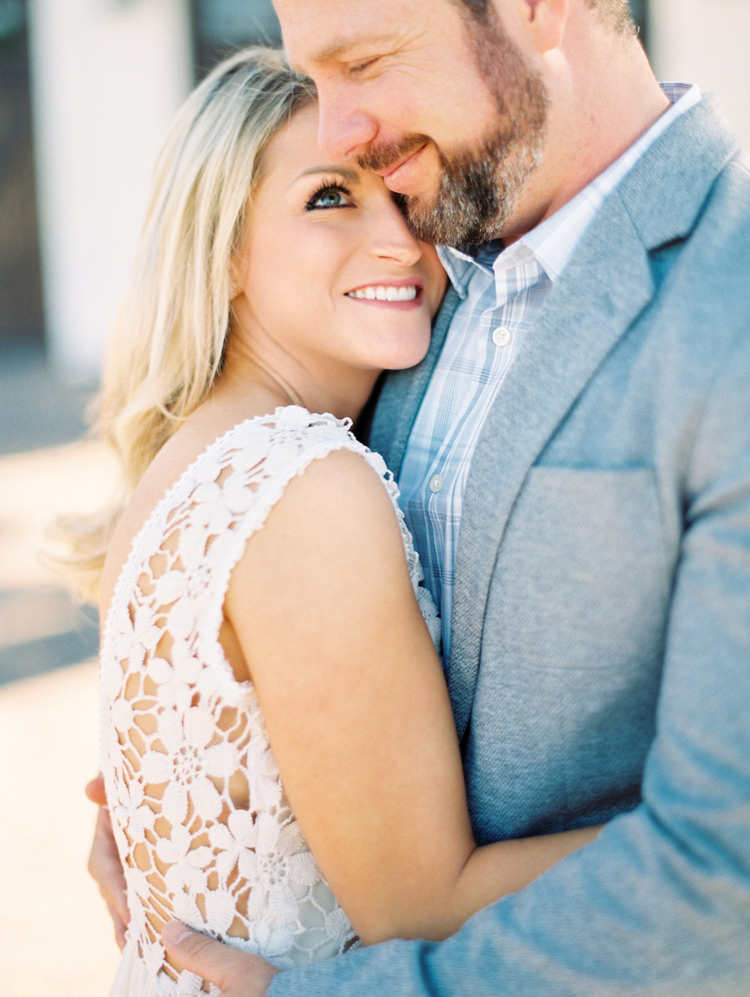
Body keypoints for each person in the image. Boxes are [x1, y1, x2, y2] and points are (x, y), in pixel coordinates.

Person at [87, 0, 748, 994]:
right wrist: (191, 813)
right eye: (326, 192)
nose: (344, 124)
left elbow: (717, 876)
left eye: (367, 60)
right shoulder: (406, 304)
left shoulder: (722, 303)